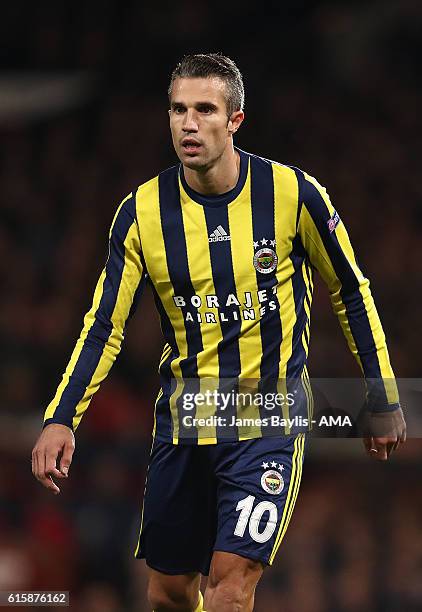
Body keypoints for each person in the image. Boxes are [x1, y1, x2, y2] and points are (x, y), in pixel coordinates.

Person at [32, 53, 406, 611]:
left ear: (235, 120)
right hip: (184, 417)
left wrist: (381, 393)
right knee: (168, 595)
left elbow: (350, 290)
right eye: (178, 109)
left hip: (268, 418)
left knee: (230, 587)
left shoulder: (294, 194)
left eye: (204, 109)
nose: (188, 123)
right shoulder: (140, 213)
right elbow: (104, 325)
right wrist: (61, 417)